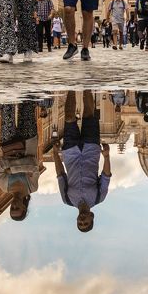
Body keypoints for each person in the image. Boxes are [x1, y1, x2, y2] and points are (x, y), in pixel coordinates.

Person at [54, 90, 111, 232]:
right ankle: (86, 87)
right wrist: (106, 156)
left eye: (80, 224)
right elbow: (106, 177)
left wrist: (55, 153)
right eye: (86, 223)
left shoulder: (67, 200)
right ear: (92, 217)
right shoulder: (99, 197)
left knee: (68, 117)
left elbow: (61, 175)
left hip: (70, 153)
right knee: (88, 115)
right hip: (91, 150)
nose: (82, 221)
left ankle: (72, 88)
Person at [0, 101, 43, 221]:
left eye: (12, 209)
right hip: (28, 140)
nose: (14, 206)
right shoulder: (32, 187)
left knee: (7, 106)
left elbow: (0, 164)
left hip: (8, 142)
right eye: (17, 209)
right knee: (27, 104)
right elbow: (34, 165)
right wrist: (11, 169)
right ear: (24, 208)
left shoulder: (2, 185)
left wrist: (23, 165)